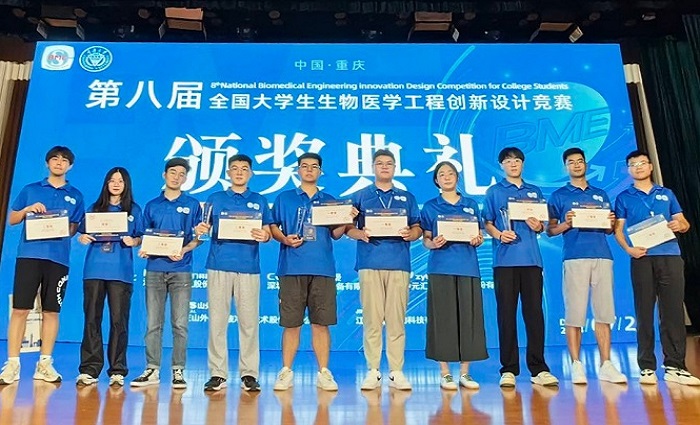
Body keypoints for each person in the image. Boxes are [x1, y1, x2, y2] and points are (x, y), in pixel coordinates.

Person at [270, 153, 355, 392]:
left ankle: (324, 372)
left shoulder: (329, 201)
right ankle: (286, 371)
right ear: (298, 170)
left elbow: (336, 234)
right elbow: (273, 226)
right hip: (291, 268)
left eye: (314, 166)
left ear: (320, 172)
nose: (309, 170)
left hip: (322, 269)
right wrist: (284, 239)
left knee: (321, 323)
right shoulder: (284, 198)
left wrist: (346, 219)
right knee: (291, 324)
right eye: (304, 166)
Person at [613, 150, 700, 386]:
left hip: (670, 256)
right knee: (643, 312)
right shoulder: (624, 197)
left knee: (672, 312)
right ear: (628, 170)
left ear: (650, 166)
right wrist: (628, 249)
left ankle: (675, 366)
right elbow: (618, 229)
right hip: (642, 258)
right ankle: (646, 367)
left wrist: (680, 225)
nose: (638, 167)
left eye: (642, 163)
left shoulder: (666, 193)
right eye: (633, 164)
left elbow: (684, 222)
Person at [0, 146, 84, 385]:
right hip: (29, 256)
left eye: (64, 160)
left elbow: (73, 229)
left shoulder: (76, 195)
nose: (59, 163)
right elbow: (12, 219)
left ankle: (44, 364)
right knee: (20, 309)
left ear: (70, 166)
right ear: (47, 163)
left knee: (51, 311)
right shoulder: (31, 189)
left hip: (58, 260)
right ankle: (12, 364)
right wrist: (28, 210)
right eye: (55, 159)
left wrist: (60, 223)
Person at [546, 148, 627, 385]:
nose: (576, 165)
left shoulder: (600, 194)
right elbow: (550, 230)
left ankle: (606, 364)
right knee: (575, 313)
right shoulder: (558, 196)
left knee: (604, 312)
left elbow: (609, 230)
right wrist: (566, 223)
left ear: (586, 164)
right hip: (575, 257)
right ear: (566, 167)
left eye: (580, 161)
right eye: (571, 162)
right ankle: (576, 364)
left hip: (602, 255)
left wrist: (610, 223)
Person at [345, 149, 422, 391]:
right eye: (380, 163)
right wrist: (360, 233)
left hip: (399, 263)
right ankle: (373, 370)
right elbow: (347, 228)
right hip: (369, 263)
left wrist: (412, 234)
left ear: (395, 167)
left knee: (397, 320)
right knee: (372, 320)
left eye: (389, 163)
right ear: (373, 167)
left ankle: (396, 371)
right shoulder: (360, 196)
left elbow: (417, 227)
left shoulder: (406, 197)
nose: (385, 167)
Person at [195, 154, 272, 393]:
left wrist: (265, 236)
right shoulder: (215, 198)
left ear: (251, 173)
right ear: (228, 173)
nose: (239, 172)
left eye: (244, 169)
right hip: (218, 265)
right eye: (235, 168)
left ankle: (249, 373)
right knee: (217, 322)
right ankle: (217, 374)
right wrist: (200, 229)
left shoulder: (259, 200)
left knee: (249, 323)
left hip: (249, 267)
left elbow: (267, 232)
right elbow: (203, 228)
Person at [482, 147, 558, 388]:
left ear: (522, 164)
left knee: (534, 314)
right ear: (501, 165)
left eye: (517, 160)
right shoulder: (495, 191)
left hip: (532, 261)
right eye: (508, 161)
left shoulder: (534, 191)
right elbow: (487, 222)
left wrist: (538, 226)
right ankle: (508, 369)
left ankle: (538, 368)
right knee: (506, 315)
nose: (513, 164)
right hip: (504, 261)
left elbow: (543, 225)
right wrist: (499, 234)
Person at [130, 158, 202, 389]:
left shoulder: (192, 205)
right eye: (173, 172)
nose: (176, 177)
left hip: (181, 271)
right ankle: (152, 368)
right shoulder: (152, 205)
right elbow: (144, 235)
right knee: (153, 324)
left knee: (180, 324)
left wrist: (183, 250)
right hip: (154, 270)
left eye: (181, 174)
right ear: (164, 175)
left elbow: (198, 238)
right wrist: (144, 247)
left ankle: (178, 370)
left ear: (185, 178)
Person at [420, 161, 487, 390]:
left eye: (451, 173)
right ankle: (445, 373)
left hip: (468, 267)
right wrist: (433, 243)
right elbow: (426, 239)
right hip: (440, 267)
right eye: (442, 174)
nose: (447, 177)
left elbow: (479, 235)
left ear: (457, 178)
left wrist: (478, 240)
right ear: (436, 180)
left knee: (469, 319)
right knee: (443, 320)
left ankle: (465, 373)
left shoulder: (471, 205)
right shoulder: (430, 206)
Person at [75, 167, 144, 387]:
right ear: (106, 183)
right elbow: (81, 232)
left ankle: (117, 370)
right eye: (112, 180)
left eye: (120, 181)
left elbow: (142, 236)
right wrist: (82, 238)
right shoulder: (95, 208)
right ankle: (89, 369)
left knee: (118, 321)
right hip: (94, 270)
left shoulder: (133, 210)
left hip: (120, 272)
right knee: (92, 319)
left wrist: (134, 241)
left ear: (126, 185)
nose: (116, 184)